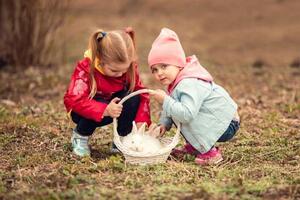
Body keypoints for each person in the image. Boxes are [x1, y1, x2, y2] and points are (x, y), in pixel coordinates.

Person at [148, 28, 240, 165]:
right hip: (215, 120)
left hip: (226, 123)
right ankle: (195, 146)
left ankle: (210, 153)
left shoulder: (189, 83)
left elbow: (187, 114)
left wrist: (165, 100)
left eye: (164, 66)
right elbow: (171, 108)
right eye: (154, 70)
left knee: (184, 113)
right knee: (176, 109)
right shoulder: (176, 82)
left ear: (178, 64)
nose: (159, 73)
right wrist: (164, 124)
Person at [64, 27, 151, 157]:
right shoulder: (86, 68)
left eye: (124, 70)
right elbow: (74, 99)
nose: (120, 74)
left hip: (112, 106)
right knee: (97, 103)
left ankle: (122, 139)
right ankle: (81, 136)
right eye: (114, 71)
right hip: (85, 110)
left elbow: (141, 93)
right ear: (100, 60)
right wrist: (104, 110)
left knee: (133, 97)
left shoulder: (128, 67)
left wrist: (142, 120)